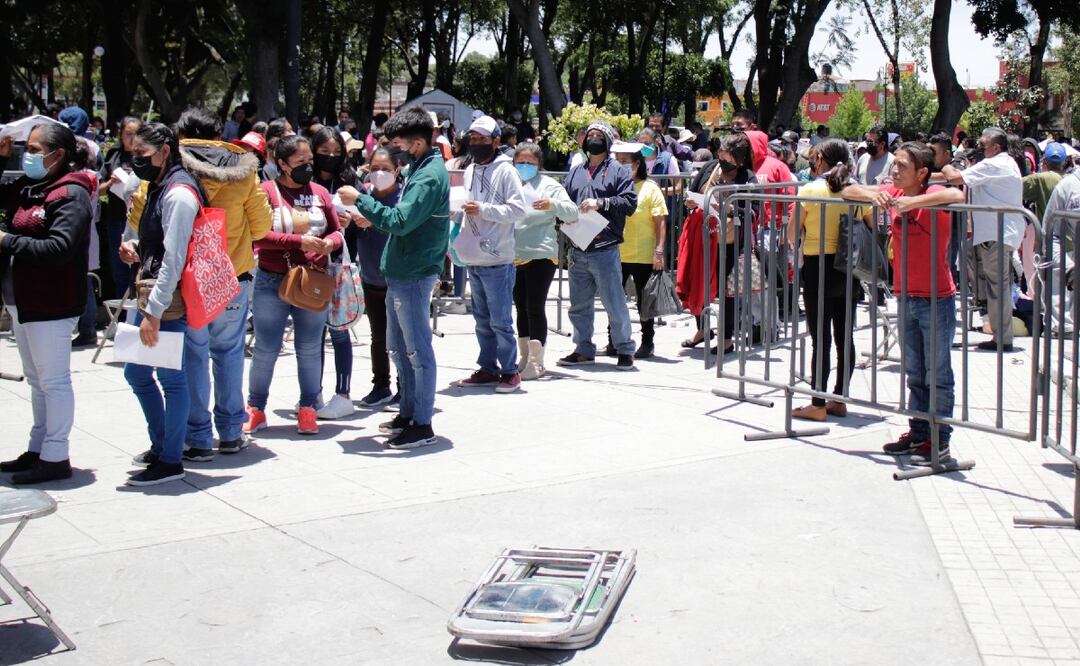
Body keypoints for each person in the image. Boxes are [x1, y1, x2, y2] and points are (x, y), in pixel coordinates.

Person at [843, 142, 966, 464]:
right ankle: (919, 433)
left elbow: (957, 194)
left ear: (922, 173)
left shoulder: (933, 194)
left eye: (902, 166)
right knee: (915, 373)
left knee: (938, 374)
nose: (894, 170)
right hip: (906, 295)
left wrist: (913, 201)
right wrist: (873, 195)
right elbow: (848, 190)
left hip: (936, 298)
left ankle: (939, 442)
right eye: (894, 164)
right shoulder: (894, 193)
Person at [339, 105, 450, 449]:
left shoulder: (428, 176)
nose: (394, 150)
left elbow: (400, 221)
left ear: (417, 143)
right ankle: (409, 413)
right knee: (400, 349)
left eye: (398, 145)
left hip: (414, 273)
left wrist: (361, 200)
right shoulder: (421, 168)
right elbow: (405, 219)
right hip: (403, 271)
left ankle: (422, 423)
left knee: (417, 350)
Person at [172, 107, 271, 459]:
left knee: (193, 354)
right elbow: (262, 226)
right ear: (218, 135)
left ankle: (197, 437)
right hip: (233, 275)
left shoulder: (172, 164)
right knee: (228, 352)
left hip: (186, 277)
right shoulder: (243, 168)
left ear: (181, 134)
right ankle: (230, 432)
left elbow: (141, 214)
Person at [0, 124, 93, 484]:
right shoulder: (29, 187)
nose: (28, 155)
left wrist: (7, 241)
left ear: (58, 154)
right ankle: (38, 448)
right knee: (38, 381)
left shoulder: (71, 194)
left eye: (35, 149)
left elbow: (59, 248)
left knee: (53, 381)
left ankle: (56, 455)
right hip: (22, 301)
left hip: (51, 302)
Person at [120, 123, 202, 486]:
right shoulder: (161, 186)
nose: (136, 161)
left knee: (171, 378)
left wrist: (153, 312)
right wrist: (137, 248)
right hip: (154, 294)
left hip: (166, 300)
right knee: (137, 373)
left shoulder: (178, 193)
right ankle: (163, 446)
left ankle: (170, 459)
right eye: (133, 154)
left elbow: (175, 259)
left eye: (142, 154)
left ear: (165, 151)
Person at [245, 135, 343, 437]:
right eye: (301, 162)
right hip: (271, 280)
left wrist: (329, 243)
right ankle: (255, 408)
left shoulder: (320, 193)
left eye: (309, 160)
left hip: (313, 281)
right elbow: (258, 235)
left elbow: (337, 231)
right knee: (266, 348)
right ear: (282, 164)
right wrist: (298, 241)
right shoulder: (265, 192)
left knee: (310, 348)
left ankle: (308, 408)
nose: (308, 166)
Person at [451, 115, 528, 392]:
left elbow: (518, 210)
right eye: (473, 138)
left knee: (500, 321)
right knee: (482, 320)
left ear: (496, 141)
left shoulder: (507, 171)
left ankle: (510, 371)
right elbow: (466, 205)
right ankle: (487, 368)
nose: (476, 143)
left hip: (498, 258)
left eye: (482, 139)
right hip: (474, 255)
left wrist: (483, 210)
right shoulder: (470, 170)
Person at [788, 139, 863, 422]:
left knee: (820, 339)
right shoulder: (856, 190)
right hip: (849, 266)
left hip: (817, 265)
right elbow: (869, 227)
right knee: (845, 336)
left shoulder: (810, 189)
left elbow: (791, 233)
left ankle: (817, 403)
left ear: (820, 159)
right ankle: (840, 398)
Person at [557, 121, 639, 370]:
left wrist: (601, 203)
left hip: (604, 247)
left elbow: (629, 203)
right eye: (589, 135)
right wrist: (561, 215)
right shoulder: (575, 172)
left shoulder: (618, 171)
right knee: (579, 305)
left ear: (607, 141)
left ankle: (624, 348)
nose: (592, 138)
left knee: (614, 302)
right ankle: (583, 349)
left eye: (598, 135)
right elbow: (564, 200)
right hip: (578, 247)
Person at [941, 126, 1024, 351]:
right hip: (996, 233)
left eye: (983, 145)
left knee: (998, 288)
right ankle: (1000, 335)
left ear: (995, 147)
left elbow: (954, 177)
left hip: (996, 233)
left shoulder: (995, 164)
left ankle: (1002, 338)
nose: (979, 147)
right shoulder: (1001, 163)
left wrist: (948, 162)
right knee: (995, 287)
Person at [677, 133, 759, 355]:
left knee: (726, 290)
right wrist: (691, 201)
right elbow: (692, 193)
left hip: (729, 241)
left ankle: (726, 339)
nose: (722, 160)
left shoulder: (748, 178)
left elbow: (754, 213)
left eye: (728, 157)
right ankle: (702, 329)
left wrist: (729, 207)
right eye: (721, 154)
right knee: (698, 281)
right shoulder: (710, 167)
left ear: (740, 159)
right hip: (702, 235)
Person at [511, 142, 577, 379]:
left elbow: (572, 212)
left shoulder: (550, 185)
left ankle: (536, 361)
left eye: (530, 162)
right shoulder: (510, 183)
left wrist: (553, 204)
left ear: (539, 164)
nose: (525, 166)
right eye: (520, 162)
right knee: (520, 306)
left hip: (541, 253)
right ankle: (524, 355)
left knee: (534, 306)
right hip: (513, 254)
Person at [310, 126, 361, 419]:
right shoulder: (305, 181)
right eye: (323, 152)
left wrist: (351, 222)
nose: (330, 157)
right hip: (309, 265)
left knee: (339, 331)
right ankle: (312, 392)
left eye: (335, 152)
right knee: (312, 334)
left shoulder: (350, 182)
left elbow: (366, 217)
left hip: (340, 265)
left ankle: (343, 394)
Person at [353, 147, 401, 406]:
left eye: (385, 169)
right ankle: (381, 385)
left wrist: (374, 221)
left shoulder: (404, 198)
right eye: (374, 169)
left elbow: (402, 226)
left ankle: (406, 387)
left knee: (403, 338)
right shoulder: (362, 197)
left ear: (397, 169)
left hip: (399, 280)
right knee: (378, 336)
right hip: (371, 278)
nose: (380, 173)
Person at [611, 142, 667, 359]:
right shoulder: (613, 186)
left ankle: (647, 342)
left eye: (625, 161)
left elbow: (660, 222)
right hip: (616, 252)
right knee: (613, 299)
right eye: (618, 161)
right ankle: (613, 340)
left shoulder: (651, 188)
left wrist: (659, 251)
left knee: (645, 301)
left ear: (637, 164)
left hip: (643, 254)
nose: (621, 165)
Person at [100, 116, 142, 300]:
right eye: (128, 134)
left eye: (136, 134)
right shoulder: (113, 155)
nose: (132, 139)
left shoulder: (146, 156)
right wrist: (111, 183)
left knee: (136, 265)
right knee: (119, 269)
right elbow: (99, 188)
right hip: (116, 218)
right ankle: (121, 310)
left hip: (137, 219)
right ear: (121, 134)